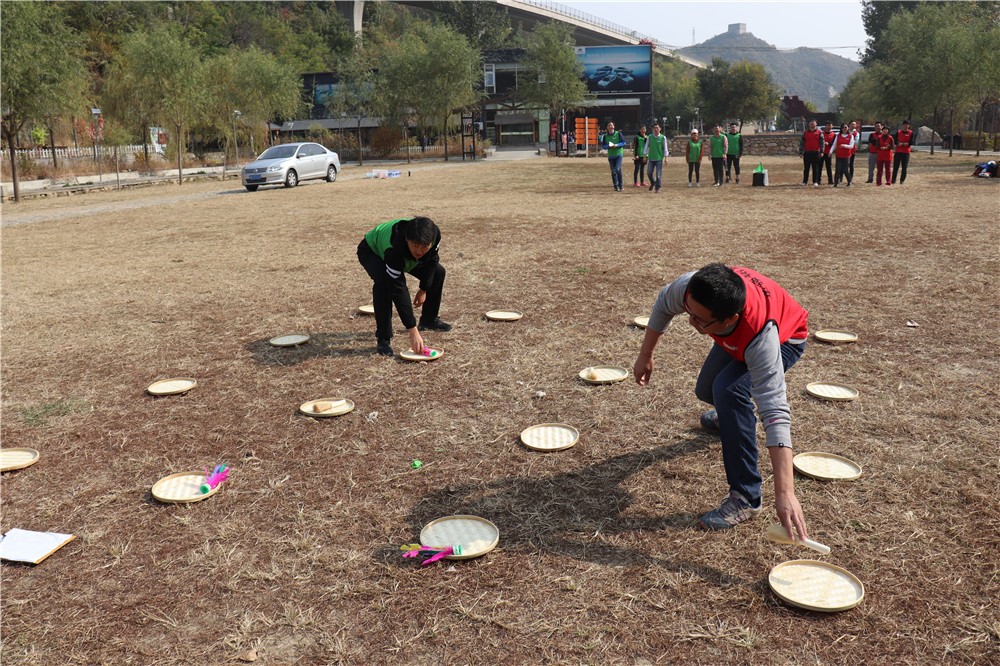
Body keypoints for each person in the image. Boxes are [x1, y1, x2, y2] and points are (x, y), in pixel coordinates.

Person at [633, 263, 810, 536]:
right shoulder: (692, 287)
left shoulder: (762, 339)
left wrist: (785, 492)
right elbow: (663, 306)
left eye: (699, 320)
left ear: (729, 319)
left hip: (786, 338)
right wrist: (646, 354)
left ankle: (747, 498)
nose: (691, 321)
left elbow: (775, 410)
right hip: (740, 332)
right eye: (689, 312)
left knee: (728, 391)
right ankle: (732, 419)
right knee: (707, 390)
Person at [357, 216, 451, 356]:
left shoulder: (434, 235)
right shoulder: (393, 249)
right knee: (384, 284)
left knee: (438, 272)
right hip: (372, 251)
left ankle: (429, 320)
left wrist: (424, 288)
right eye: (415, 245)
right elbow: (398, 289)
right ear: (407, 239)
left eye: (424, 246)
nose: (419, 251)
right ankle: (384, 337)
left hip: (404, 255)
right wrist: (412, 330)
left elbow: (432, 261)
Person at [599, 121, 626, 191]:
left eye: (611, 125)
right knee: (613, 171)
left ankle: (621, 185)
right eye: (609, 125)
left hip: (618, 154)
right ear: (607, 127)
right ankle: (615, 186)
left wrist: (617, 145)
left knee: (618, 169)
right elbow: (604, 146)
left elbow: (624, 142)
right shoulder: (605, 136)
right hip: (611, 156)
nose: (610, 127)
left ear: (614, 126)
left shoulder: (618, 134)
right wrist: (609, 146)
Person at [828, 123, 855, 187]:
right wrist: (830, 151)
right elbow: (834, 145)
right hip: (839, 155)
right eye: (843, 127)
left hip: (846, 155)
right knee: (838, 169)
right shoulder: (838, 136)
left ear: (848, 128)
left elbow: (851, 146)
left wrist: (844, 145)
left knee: (845, 170)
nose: (844, 129)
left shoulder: (851, 136)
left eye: (845, 127)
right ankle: (836, 183)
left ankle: (849, 181)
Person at [644, 123, 668, 193]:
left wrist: (666, 158)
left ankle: (657, 187)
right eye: (654, 128)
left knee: (658, 174)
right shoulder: (650, 137)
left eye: (657, 128)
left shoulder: (663, 138)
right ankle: (653, 182)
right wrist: (645, 156)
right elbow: (646, 147)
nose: (656, 129)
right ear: (652, 129)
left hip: (659, 158)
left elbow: (665, 148)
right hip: (651, 158)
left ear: (660, 129)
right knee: (649, 173)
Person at [799, 120, 825, 187]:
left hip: (816, 152)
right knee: (806, 168)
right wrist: (801, 152)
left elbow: (822, 142)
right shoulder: (805, 132)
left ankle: (815, 182)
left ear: (816, 124)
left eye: (813, 123)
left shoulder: (819, 132)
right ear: (808, 124)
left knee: (815, 168)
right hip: (807, 152)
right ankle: (805, 182)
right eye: (810, 123)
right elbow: (802, 143)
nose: (812, 124)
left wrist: (822, 151)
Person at [892, 119, 914, 185]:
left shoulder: (911, 133)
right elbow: (895, 141)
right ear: (902, 126)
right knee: (895, 166)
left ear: (909, 126)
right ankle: (893, 180)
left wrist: (907, 144)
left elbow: (911, 142)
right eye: (904, 125)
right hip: (898, 152)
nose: (905, 126)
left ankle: (902, 180)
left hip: (906, 152)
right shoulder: (898, 132)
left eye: (907, 125)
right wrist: (898, 143)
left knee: (904, 167)